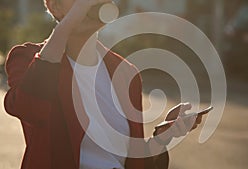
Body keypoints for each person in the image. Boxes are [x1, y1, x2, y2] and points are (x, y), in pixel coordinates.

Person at [4, 0, 207, 168]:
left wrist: (163, 137)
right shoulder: (28, 58)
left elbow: (132, 161)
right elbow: (28, 107)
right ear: (55, 7)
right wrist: (68, 24)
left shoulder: (126, 73)